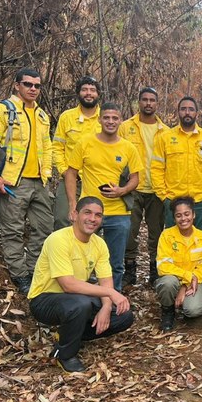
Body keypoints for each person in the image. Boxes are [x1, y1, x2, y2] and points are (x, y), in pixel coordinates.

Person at [28, 196, 133, 373]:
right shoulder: (59, 239)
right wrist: (111, 294)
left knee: (125, 315)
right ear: (75, 214)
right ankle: (65, 354)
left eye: (98, 215)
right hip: (45, 299)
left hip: (76, 297)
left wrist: (106, 307)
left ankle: (68, 334)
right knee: (81, 304)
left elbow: (106, 280)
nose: (93, 219)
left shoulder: (99, 244)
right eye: (87, 213)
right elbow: (68, 284)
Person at [0, 68, 53, 295]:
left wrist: (47, 173)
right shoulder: (1, 111)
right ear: (16, 85)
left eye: (37, 86)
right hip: (12, 183)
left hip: (38, 183)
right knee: (13, 231)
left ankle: (32, 269)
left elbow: (47, 147)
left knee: (45, 228)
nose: (33, 89)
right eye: (28, 84)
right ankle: (20, 275)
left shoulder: (41, 115)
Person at [64, 103, 140, 291]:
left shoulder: (128, 148)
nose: (110, 121)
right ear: (100, 119)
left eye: (115, 118)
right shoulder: (85, 142)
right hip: (89, 213)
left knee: (115, 263)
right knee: (81, 260)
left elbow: (135, 179)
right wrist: (73, 204)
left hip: (118, 213)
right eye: (106, 117)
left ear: (120, 121)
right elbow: (71, 173)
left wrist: (122, 191)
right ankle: (82, 299)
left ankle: (113, 302)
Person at [118, 87, 168, 287]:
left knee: (156, 233)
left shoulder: (165, 131)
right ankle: (129, 269)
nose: (148, 103)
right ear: (138, 102)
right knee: (130, 232)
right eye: (144, 99)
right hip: (132, 188)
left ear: (157, 103)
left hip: (157, 189)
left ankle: (155, 271)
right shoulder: (125, 127)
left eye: (152, 100)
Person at [151, 96, 202, 232]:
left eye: (191, 109)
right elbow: (157, 168)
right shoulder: (165, 138)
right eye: (183, 109)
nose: (187, 112)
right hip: (174, 199)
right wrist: (164, 196)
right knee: (175, 241)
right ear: (178, 112)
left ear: (197, 113)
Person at [52, 76, 102, 230]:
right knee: (62, 220)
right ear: (78, 93)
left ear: (98, 94)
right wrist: (64, 171)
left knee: (94, 224)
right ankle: (64, 253)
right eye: (85, 90)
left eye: (93, 90)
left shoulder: (106, 118)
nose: (89, 93)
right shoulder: (67, 117)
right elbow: (57, 147)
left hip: (96, 180)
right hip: (71, 179)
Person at [154, 196, 202, 331]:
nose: (183, 219)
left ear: (193, 215)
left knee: (193, 310)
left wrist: (185, 286)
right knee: (167, 283)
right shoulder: (166, 235)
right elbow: (163, 266)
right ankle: (168, 311)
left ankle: (185, 304)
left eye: (187, 214)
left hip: (194, 282)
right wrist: (187, 276)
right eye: (178, 215)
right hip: (173, 280)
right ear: (174, 218)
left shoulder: (201, 236)